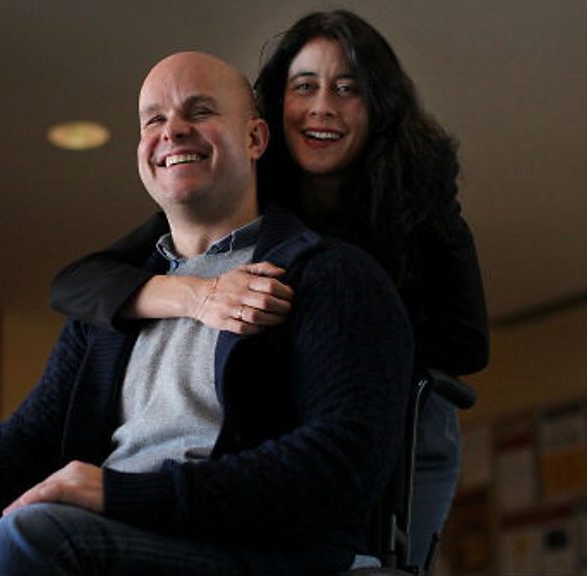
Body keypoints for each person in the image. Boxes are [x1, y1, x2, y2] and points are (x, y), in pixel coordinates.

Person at [0, 50, 413, 576]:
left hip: (248, 547)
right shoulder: (118, 295)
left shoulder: (331, 274)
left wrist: (122, 493)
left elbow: (341, 464)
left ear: (254, 138)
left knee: (30, 538)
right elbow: (35, 432)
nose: (172, 131)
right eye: (154, 119)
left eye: (200, 111)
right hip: (102, 528)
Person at [50, 10, 489, 565]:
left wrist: (338, 331)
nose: (321, 106)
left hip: (407, 421)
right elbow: (76, 283)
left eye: (346, 88)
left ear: (378, 104)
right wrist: (195, 296)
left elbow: (468, 343)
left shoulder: (421, 195)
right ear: (270, 111)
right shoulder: (246, 187)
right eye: (303, 87)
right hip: (293, 416)